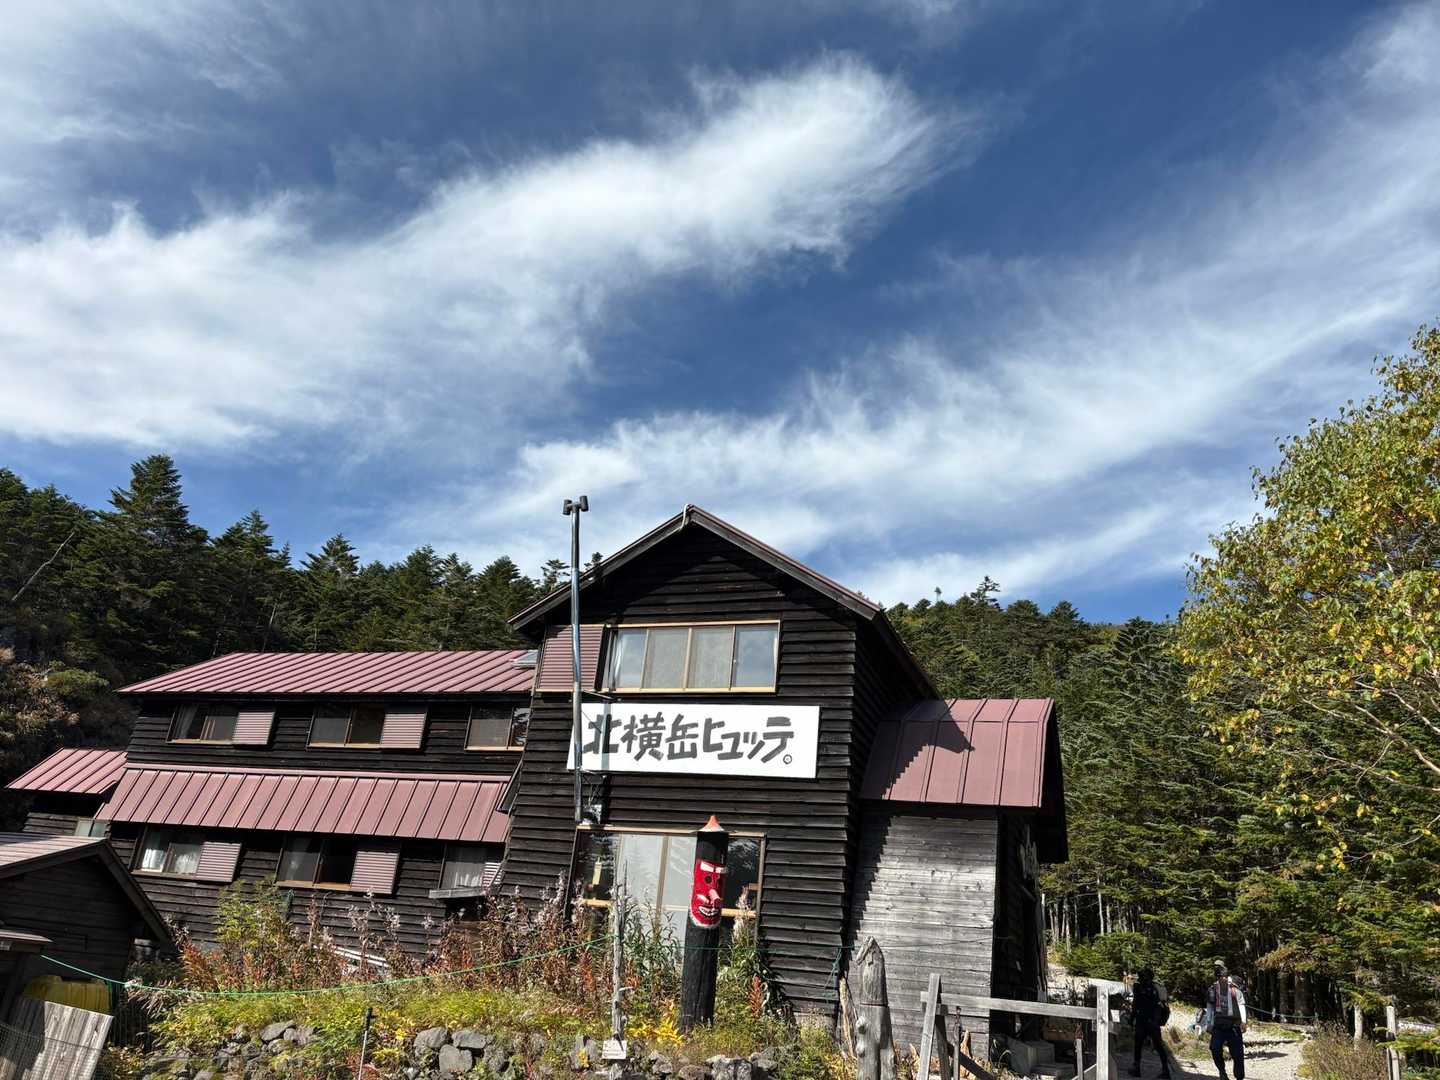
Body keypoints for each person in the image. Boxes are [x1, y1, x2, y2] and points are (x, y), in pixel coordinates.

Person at [1204, 961, 1248, 1080]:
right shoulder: (1212, 990)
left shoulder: (1234, 989)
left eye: (1224, 976)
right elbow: (1209, 1006)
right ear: (1217, 977)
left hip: (1234, 1026)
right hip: (1219, 1025)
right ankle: (1222, 1071)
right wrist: (1208, 1023)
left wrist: (1244, 1022)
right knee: (1214, 1049)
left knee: (1238, 1055)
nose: (1223, 978)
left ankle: (1239, 1077)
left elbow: (1241, 1004)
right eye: (1220, 976)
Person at [1129, 968, 1172, 1078]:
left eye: (1140, 976)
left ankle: (1136, 1068)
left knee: (1138, 1044)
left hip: (1143, 1020)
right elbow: (1164, 1005)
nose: (1139, 979)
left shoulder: (1138, 987)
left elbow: (1135, 1005)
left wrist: (1131, 1019)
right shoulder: (1157, 988)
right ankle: (1165, 1070)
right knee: (1158, 1046)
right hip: (1153, 1021)